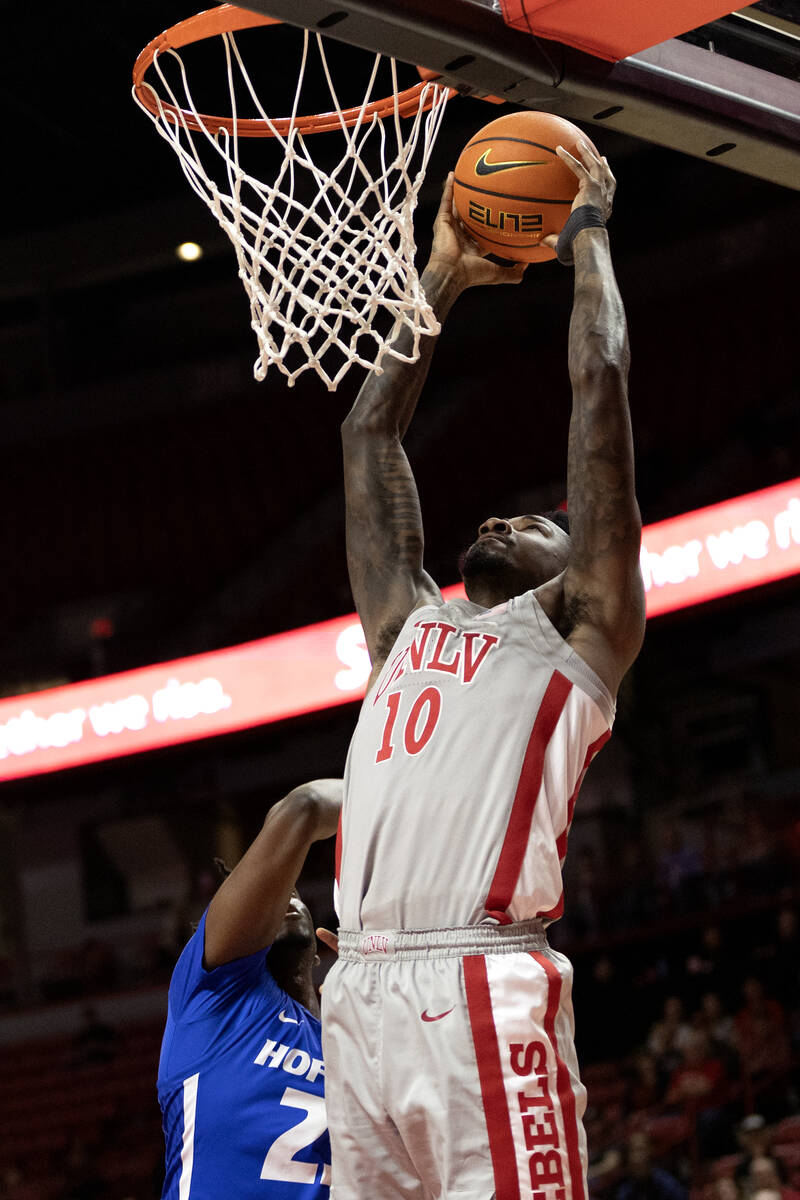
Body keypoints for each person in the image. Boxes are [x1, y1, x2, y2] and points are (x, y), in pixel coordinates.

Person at [324, 142, 645, 1198]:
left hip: (476, 977)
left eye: (544, 521)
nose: (510, 514)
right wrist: (442, 276)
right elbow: (367, 436)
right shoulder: (405, 630)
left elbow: (596, 383)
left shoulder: (579, 630)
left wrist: (585, 237)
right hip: (357, 994)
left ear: (579, 561)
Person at [158, 778, 341, 1199]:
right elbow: (303, 808)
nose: (282, 897)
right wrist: (404, 791)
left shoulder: (353, 1039)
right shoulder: (212, 999)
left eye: (291, 891)